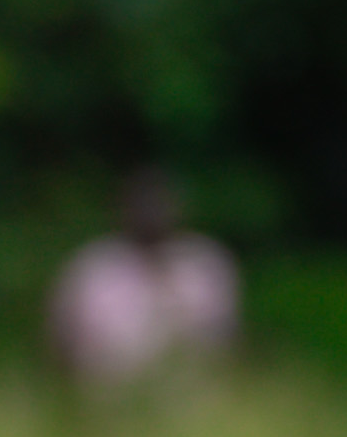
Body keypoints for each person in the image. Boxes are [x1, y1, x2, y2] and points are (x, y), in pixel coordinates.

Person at [44, 168, 242, 396]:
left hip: (193, 406)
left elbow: (228, 344)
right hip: (108, 405)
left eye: (159, 204)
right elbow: (59, 345)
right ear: (122, 210)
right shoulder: (92, 269)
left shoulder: (204, 267)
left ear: (178, 208)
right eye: (141, 204)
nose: (150, 213)